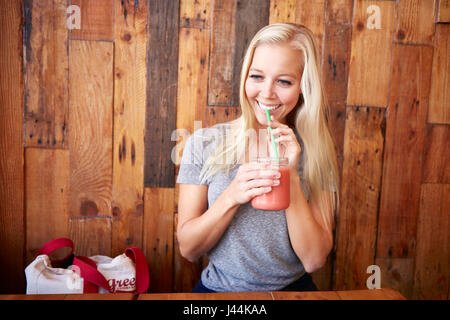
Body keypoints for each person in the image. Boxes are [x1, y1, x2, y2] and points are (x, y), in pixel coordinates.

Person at [176, 23, 339, 293]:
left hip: (292, 292)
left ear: (303, 87)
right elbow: (188, 249)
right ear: (245, 78)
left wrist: (291, 178)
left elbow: (314, 259)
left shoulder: (316, 152)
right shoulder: (204, 144)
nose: (266, 93)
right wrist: (232, 195)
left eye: (284, 81)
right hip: (218, 292)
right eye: (257, 77)